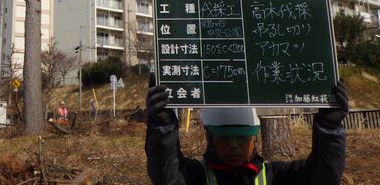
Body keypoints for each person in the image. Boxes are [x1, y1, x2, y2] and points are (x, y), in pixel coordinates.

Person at [145, 74, 347, 185]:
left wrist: (329, 128)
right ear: (210, 138)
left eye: (242, 137)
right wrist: (162, 125)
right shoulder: (194, 177)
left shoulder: (277, 177)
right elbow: (167, 173)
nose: (233, 146)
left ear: (255, 137)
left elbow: (323, 177)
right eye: (224, 138)